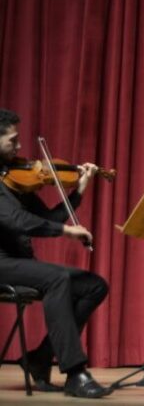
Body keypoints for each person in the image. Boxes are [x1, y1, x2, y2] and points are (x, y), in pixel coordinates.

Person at [0, 109, 109, 398]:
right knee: (58, 278)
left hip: (20, 262)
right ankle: (75, 373)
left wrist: (80, 190)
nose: (20, 147)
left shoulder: (13, 178)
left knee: (94, 285)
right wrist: (67, 232)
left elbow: (50, 216)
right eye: (13, 140)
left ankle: (39, 358)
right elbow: (18, 222)